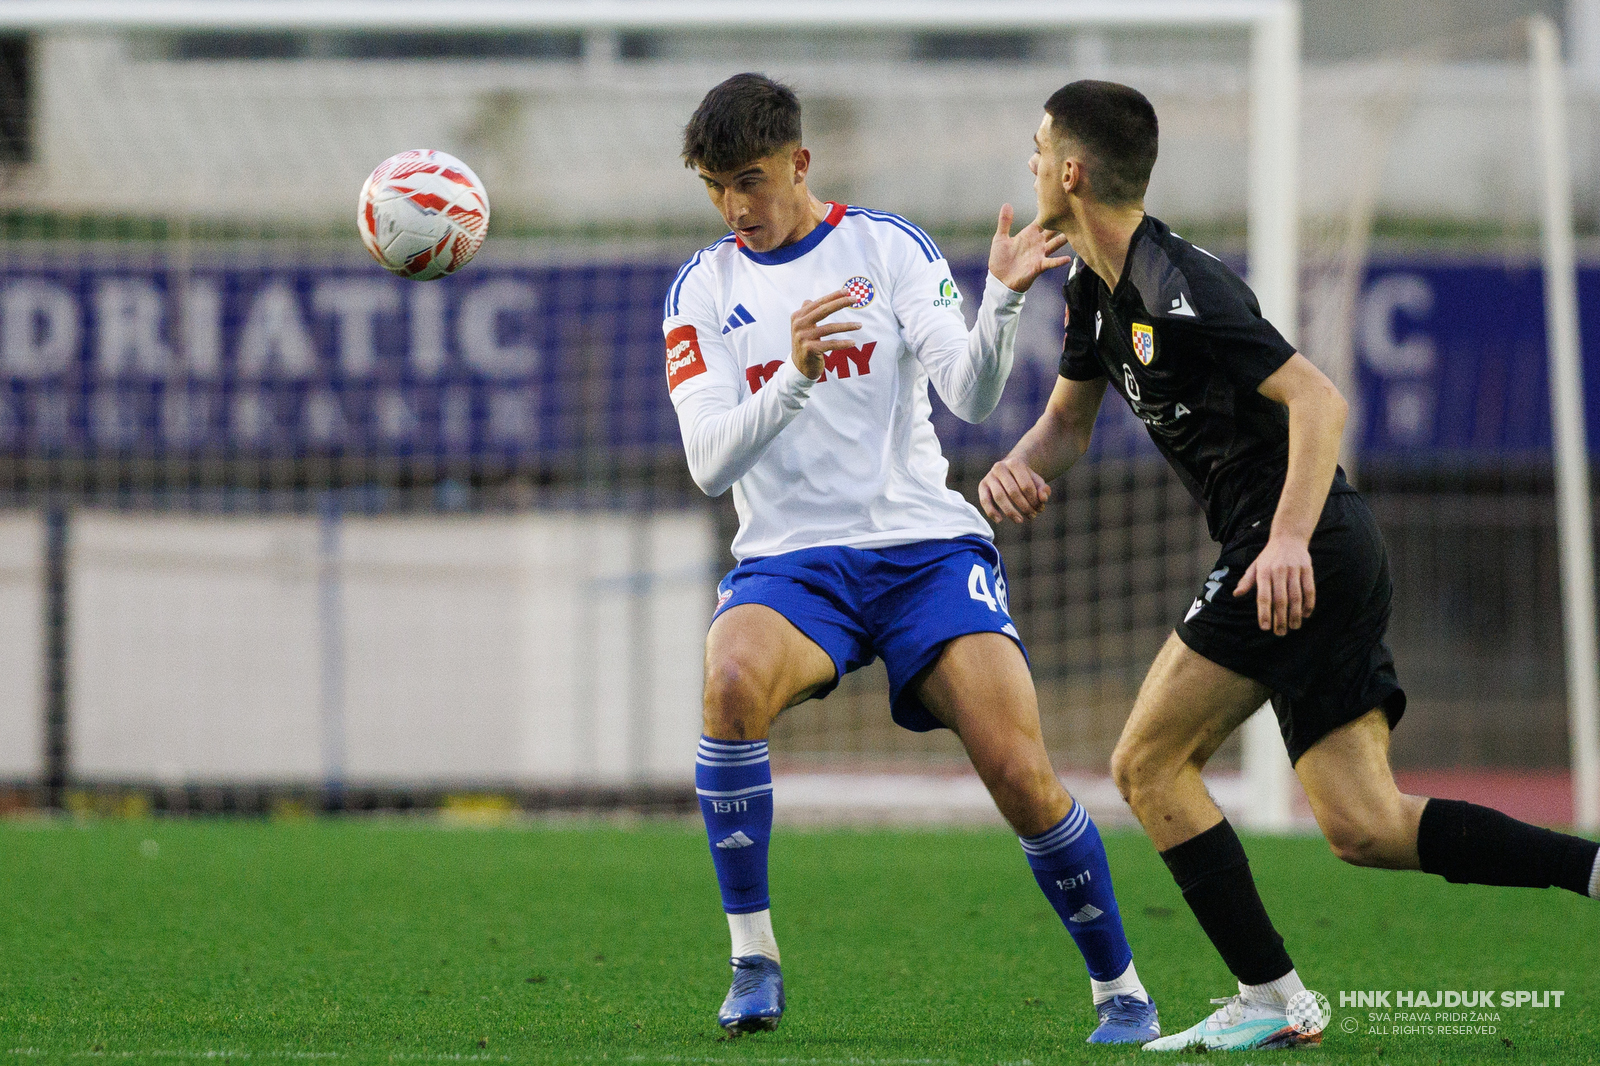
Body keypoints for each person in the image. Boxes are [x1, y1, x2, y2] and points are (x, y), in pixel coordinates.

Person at [981, 79, 1600, 1052]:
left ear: (1069, 170)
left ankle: (1271, 993)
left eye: (1035, 147)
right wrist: (1018, 465)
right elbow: (1066, 426)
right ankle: (1593, 871)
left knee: (1145, 763)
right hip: (1322, 550)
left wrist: (1279, 540)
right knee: (1364, 825)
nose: (1024, 162)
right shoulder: (1090, 292)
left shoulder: (1181, 283)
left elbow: (1318, 401)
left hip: (1296, 546)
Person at [664, 73, 1161, 1045]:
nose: (735, 206)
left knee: (1019, 769)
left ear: (800, 163)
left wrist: (1006, 300)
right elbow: (706, 460)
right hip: (791, 563)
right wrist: (796, 379)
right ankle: (753, 955)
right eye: (717, 186)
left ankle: (1122, 989)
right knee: (727, 681)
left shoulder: (886, 248)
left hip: (921, 550)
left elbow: (971, 396)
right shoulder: (703, 288)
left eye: (752, 181)